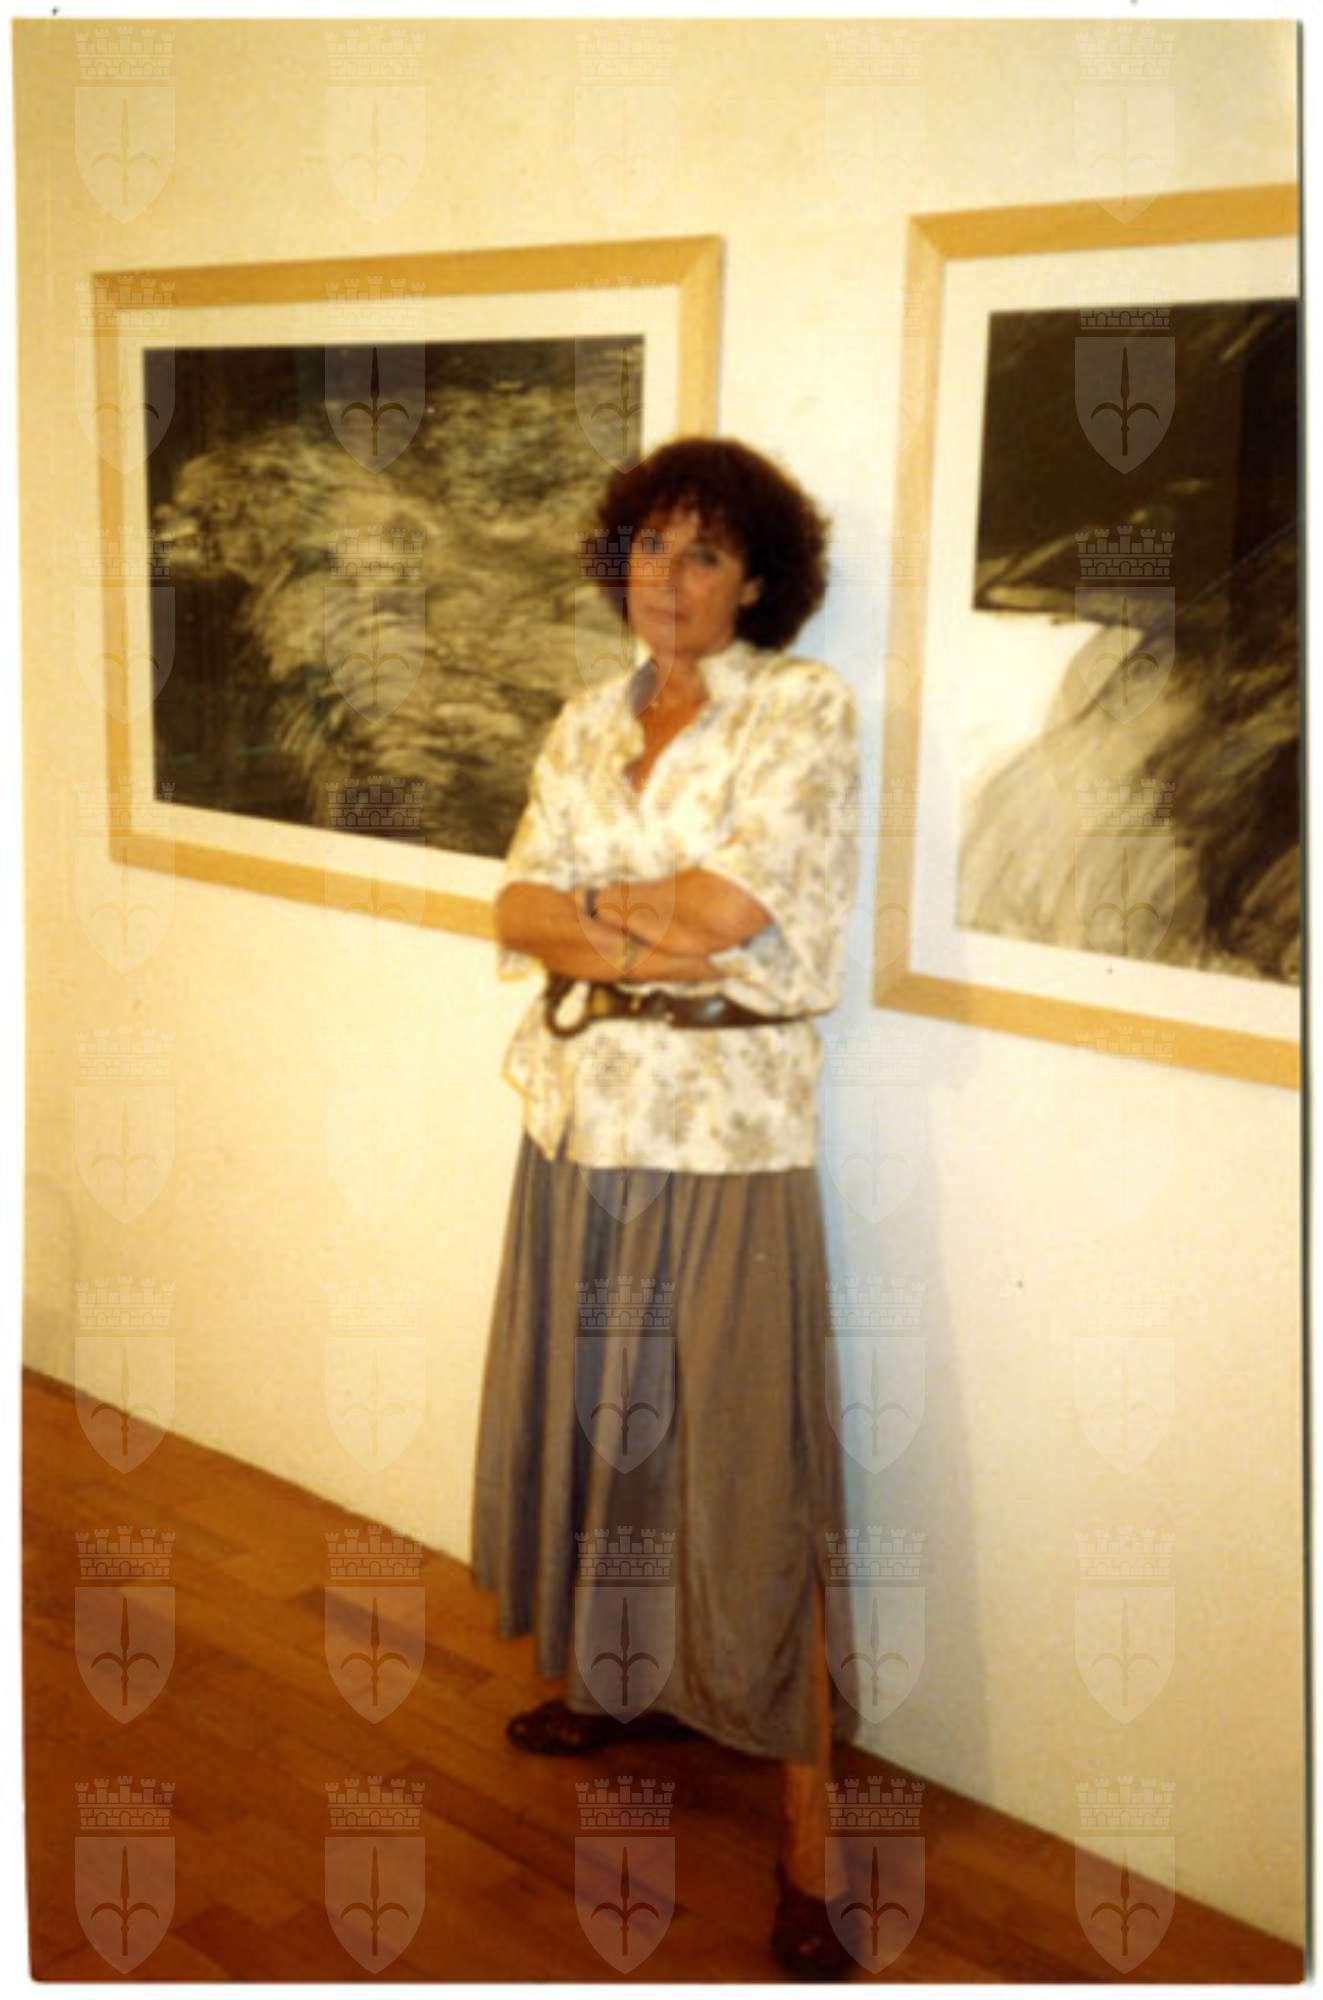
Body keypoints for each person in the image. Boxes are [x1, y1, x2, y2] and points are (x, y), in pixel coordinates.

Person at [470, 435, 861, 1977]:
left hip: (729, 1138)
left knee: (753, 1473)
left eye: (705, 552)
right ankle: (618, 1681)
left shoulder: (802, 712)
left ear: (758, 581)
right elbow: (514, 908)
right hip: (584, 1122)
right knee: (597, 1426)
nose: (669, 578)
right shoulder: (584, 720)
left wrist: (608, 924)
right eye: (648, 545)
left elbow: (729, 912)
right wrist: (645, 935)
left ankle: (813, 1840)